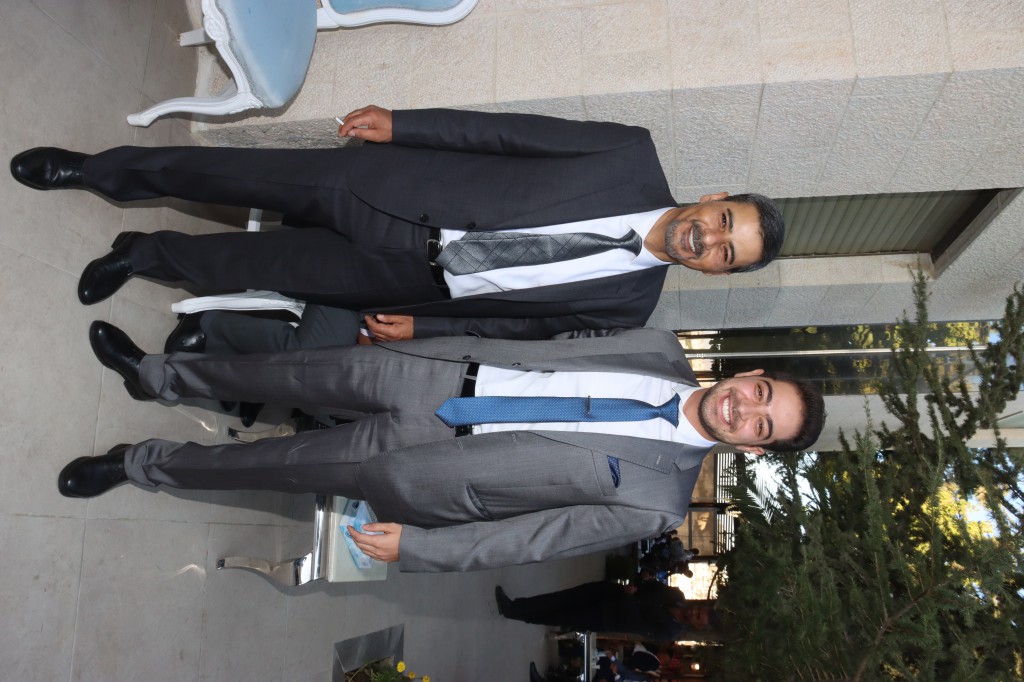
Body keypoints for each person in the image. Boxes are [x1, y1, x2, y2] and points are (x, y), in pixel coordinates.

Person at [58, 323, 825, 572]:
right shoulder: (657, 347)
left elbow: (536, 538)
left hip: (429, 461)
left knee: (275, 465)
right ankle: (156, 375)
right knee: (285, 371)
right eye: (761, 393)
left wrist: (425, 547)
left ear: (754, 450)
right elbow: (536, 328)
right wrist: (425, 327)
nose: (745, 410)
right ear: (748, 375)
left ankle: (139, 464)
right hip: (436, 367)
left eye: (763, 426)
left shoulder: (657, 503)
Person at [11, 105, 785, 345]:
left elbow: (522, 327)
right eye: (725, 222)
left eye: (726, 253)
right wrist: (403, 125)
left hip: (408, 280)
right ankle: (97, 170)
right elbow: (506, 134)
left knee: (263, 267)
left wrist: (424, 324)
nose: (711, 239)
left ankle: (144, 254)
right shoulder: (628, 155)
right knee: (228, 175)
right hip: (390, 187)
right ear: (714, 197)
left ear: (715, 271)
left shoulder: (629, 308)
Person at [495, 579, 704, 642]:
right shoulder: (677, 596)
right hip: (608, 593)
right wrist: (639, 583)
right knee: (561, 598)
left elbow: (636, 623)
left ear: (696, 625)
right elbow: (652, 585)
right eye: (698, 610)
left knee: (559, 616)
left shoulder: (669, 632)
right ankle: (516, 606)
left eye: (698, 617)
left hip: (605, 617)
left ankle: (515, 611)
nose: (694, 612)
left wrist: (629, 598)